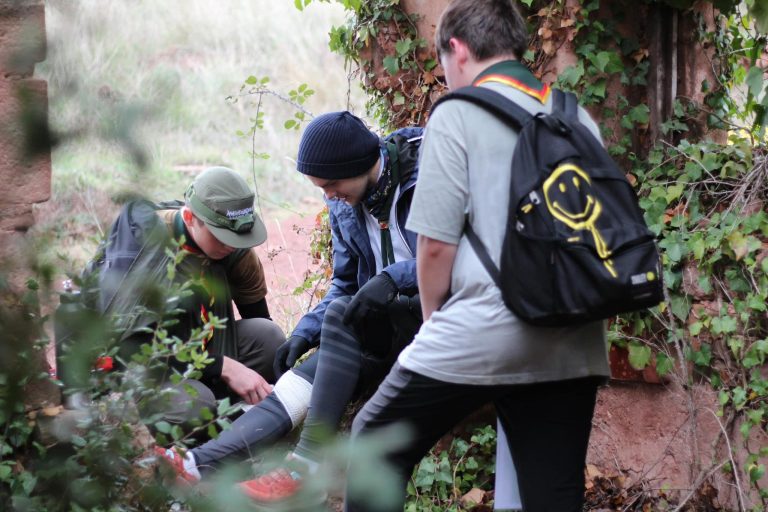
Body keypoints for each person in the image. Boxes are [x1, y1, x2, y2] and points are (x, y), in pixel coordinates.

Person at [344, 1, 611, 511]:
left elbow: (436, 244)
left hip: (485, 327)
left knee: (375, 440)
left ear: (458, 49)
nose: (444, 73)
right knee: (552, 495)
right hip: (576, 336)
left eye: (442, 61)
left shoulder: (457, 113)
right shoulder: (575, 116)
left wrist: (430, 326)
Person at [155, 112, 423, 492]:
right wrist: (304, 333)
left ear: (361, 164)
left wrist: (391, 279)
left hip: (434, 313)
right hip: (382, 323)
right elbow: (346, 282)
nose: (329, 196)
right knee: (311, 363)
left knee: (341, 322)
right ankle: (197, 464)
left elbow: (457, 258)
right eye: (320, 188)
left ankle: (305, 465)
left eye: (332, 184)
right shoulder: (343, 201)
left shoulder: (423, 177)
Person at [83, 166, 285, 425]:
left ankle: (224, 407)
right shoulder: (145, 249)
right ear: (190, 217)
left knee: (269, 338)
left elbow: (258, 315)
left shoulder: (233, 245)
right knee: (196, 404)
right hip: (141, 367)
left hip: (202, 347)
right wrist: (222, 366)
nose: (230, 245)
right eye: (221, 237)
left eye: (235, 238)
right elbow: (129, 351)